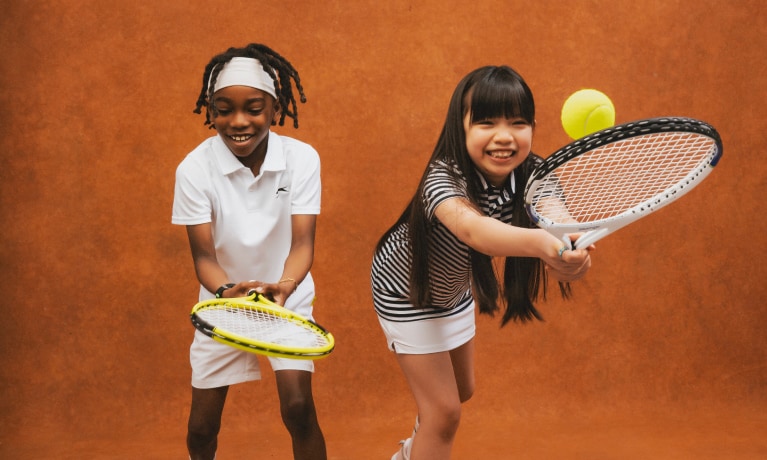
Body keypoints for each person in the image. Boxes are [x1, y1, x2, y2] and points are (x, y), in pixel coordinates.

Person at [371, 65, 594, 460]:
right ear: (461, 127)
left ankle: (410, 453)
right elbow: (477, 232)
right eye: (486, 122)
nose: (504, 136)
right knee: (444, 414)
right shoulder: (443, 178)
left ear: (533, 128)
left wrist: (569, 255)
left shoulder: (536, 176)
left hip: (453, 289)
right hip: (404, 288)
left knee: (461, 390)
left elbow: (557, 220)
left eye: (519, 123)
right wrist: (544, 243)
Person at [172, 43, 326, 460]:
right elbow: (203, 258)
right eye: (223, 109)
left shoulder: (302, 158)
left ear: (275, 109)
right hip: (223, 302)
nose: (238, 121)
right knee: (201, 429)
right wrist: (227, 293)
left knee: (298, 409)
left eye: (253, 108)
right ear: (210, 111)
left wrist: (285, 287)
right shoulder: (193, 169)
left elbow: (302, 244)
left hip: (286, 297)